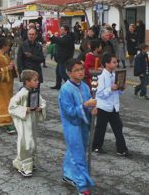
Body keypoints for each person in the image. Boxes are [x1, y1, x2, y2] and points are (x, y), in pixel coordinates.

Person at [58, 59, 97, 195]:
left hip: (84, 124)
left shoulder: (85, 86)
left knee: (74, 151)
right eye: (77, 70)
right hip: (72, 126)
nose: (81, 72)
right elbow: (69, 112)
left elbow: (88, 103)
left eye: (82, 69)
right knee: (78, 154)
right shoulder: (65, 89)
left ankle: (68, 175)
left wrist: (92, 109)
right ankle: (82, 186)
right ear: (69, 73)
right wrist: (86, 106)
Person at [91, 53, 131, 157]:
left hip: (113, 106)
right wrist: (111, 88)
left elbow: (117, 92)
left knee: (118, 127)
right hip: (103, 106)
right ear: (106, 64)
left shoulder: (114, 75)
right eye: (114, 62)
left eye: (116, 61)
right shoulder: (101, 76)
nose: (116, 63)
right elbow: (99, 93)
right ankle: (96, 146)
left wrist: (121, 88)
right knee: (101, 127)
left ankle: (122, 149)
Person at [9, 69, 46, 177]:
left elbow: (42, 102)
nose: (37, 82)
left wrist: (41, 107)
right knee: (26, 143)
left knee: (32, 142)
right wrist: (25, 110)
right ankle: (24, 167)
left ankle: (28, 163)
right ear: (27, 81)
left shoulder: (34, 92)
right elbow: (12, 107)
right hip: (24, 122)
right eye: (35, 80)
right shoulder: (21, 94)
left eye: (37, 80)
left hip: (32, 122)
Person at [0, 38, 18, 133]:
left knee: (2, 102)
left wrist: (12, 67)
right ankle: (7, 123)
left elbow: (10, 69)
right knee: (3, 103)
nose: (9, 47)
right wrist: (7, 68)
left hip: (7, 85)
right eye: (8, 45)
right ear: (4, 46)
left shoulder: (6, 55)